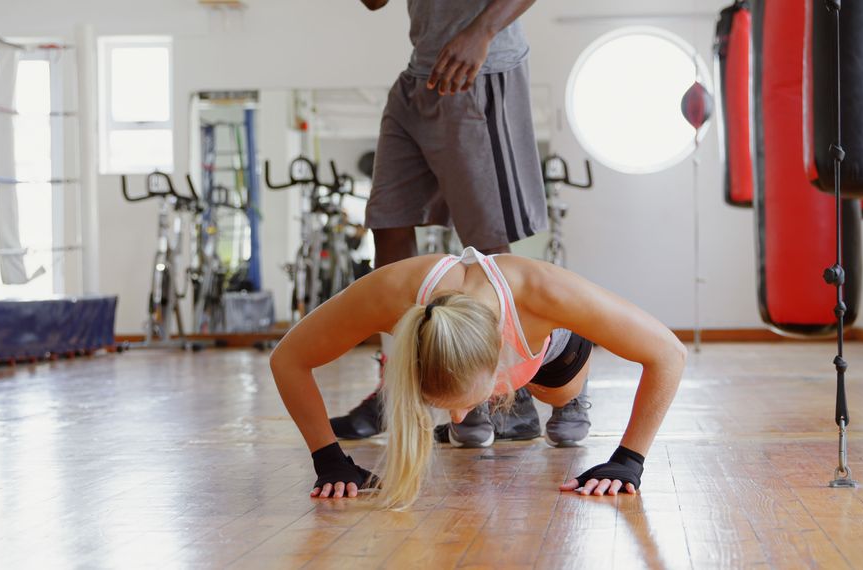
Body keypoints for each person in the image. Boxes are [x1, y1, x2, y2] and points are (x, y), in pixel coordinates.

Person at [333, 0, 591, 446]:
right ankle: (398, 388)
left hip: (482, 67)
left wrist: (482, 30)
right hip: (420, 74)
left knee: (488, 248)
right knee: (388, 225)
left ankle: (509, 391)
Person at [270, 247, 687, 509]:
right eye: (440, 404)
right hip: (474, 352)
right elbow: (287, 359)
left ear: (497, 365)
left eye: (467, 401)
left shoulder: (545, 292)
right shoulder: (388, 292)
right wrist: (328, 460)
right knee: (467, 432)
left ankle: (568, 400)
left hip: (550, 346)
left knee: (564, 407)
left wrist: (628, 461)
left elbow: (669, 354)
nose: (453, 417)